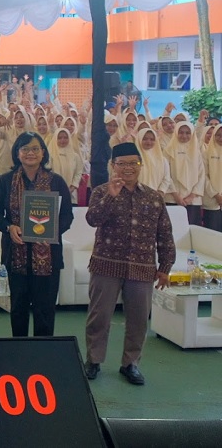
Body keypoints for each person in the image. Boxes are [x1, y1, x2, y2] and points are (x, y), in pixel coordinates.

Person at [83, 142, 175, 386]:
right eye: (121, 164)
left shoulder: (154, 198)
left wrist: (165, 267)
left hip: (142, 268)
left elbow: (164, 234)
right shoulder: (102, 192)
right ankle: (94, 360)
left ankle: (130, 364)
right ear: (113, 166)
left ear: (140, 165)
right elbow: (92, 219)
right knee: (99, 317)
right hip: (106, 266)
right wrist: (112, 198)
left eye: (133, 163)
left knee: (138, 320)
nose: (127, 168)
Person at [0, 132, 73, 337]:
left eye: (35, 148)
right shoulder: (5, 181)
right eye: (25, 149)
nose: (30, 153)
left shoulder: (57, 182)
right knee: (18, 308)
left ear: (43, 152)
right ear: (17, 153)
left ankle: (41, 355)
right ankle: (19, 353)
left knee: (44, 310)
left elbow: (67, 216)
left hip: (49, 258)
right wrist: (9, 227)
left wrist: (51, 231)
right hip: (16, 255)